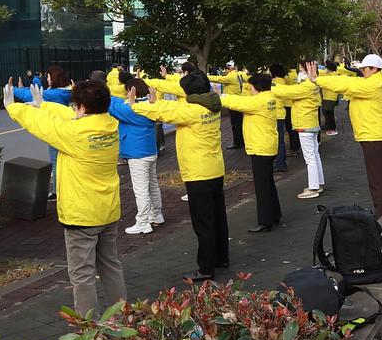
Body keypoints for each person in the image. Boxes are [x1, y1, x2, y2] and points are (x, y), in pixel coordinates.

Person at [4, 80, 126, 314]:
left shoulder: (74, 134)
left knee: (82, 274)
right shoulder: (109, 124)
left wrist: (14, 108)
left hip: (81, 215)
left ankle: (89, 331)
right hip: (108, 210)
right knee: (111, 265)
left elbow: (43, 125)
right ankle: (125, 317)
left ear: (80, 106)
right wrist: (44, 105)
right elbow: (66, 115)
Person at [133, 70, 228, 280]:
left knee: (203, 222)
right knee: (218, 216)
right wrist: (155, 101)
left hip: (198, 172)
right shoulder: (212, 104)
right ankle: (221, 257)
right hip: (215, 168)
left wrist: (135, 104)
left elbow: (165, 112)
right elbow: (172, 107)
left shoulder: (192, 111)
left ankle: (205, 268)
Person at [305, 55, 382, 218]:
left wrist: (318, 80)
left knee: (377, 180)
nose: (362, 71)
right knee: (377, 178)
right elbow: (347, 80)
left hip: (373, 137)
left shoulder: (373, 84)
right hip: (372, 135)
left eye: (364, 68)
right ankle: (381, 211)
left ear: (374, 69)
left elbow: (347, 84)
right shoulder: (373, 82)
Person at [221, 73, 283, 232]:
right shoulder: (269, 97)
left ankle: (265, 221)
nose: (249, 89)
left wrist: (218, 96)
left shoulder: (258, 101)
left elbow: (238, 102)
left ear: (258, 87)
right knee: (268, 182)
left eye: (251, 87)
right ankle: (275, 214)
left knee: (262, 185)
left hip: (260, 147)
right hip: (267, 145)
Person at [108, 78, 163, 235]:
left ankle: (143, 222)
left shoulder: (132, 110)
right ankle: (157, 215)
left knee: (141, 189)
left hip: (137, 154)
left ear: (131, 91)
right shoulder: (150, 105)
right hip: (150, 151)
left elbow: (112, 106)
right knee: (152, 185)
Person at [13, 65, 72, 197]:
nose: (47, 79)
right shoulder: (66, 91)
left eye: (49, 76)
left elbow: (30, 95)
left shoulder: (54, 94)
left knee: (56, 161)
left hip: (55, 129)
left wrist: (12, 89)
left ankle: (58, 191)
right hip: (66, 128)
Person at [271, 67, 325, 199]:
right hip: (312, 124)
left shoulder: (305, 88)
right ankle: (318, 183)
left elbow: (284, 92)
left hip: (304, 125)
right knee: (315, 155)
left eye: (303, 70)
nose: (300, 72)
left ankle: (313, 188)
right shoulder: (313, 86)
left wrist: (269, 84)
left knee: (310, 158)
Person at [208, 60, 249, 149]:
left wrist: (206, 77)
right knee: (239, 123)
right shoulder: (240, 74)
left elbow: (219, 79)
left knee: (235, 124)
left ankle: (238, 143)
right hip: (239, 100)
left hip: (233, 103)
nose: (224, 72)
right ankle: (241, 141)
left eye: (225, 69)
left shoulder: (231, 76)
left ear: (229, 69)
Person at [269, 64, 291, 172]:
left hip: (275, 114)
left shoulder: (274, 83)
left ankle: (280, 163)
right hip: (281, 113)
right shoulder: (283, 81)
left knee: (278, 140)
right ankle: (281, 162)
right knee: (280, 140)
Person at [320, 60, 342, 135]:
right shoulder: (334, 73)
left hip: (330, 97)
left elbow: (319, 72)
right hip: (329, 96)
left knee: (328, 113)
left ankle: (333, 128)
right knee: (326, 112)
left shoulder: (330, 75)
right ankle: (328, 125)